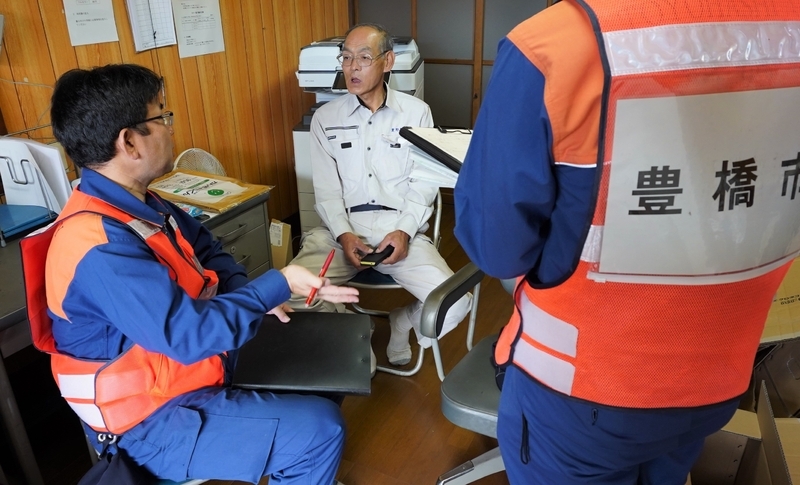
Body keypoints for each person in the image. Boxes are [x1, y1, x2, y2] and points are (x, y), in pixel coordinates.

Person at [454, 1, 800, 483]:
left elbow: (496, 248)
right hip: (718, 375)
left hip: (583, 391)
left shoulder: (557, 46)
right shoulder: (786, 27)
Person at [27, 64, 359, 485]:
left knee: (325, 364)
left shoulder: (141, 203)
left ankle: (302, 468)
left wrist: (250, 290)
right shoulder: (97, 245)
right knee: (320, 431)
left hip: (183, 371)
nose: (169, 128)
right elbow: (187, 336)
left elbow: (207, 248)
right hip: (146, 421)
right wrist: (276, 285)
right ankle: (307, 459)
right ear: (129, 141)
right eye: (160, 117)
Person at [289, 23, 470, 366]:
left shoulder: (417, 113)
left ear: (387, 62)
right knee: (294, 293)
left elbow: (423, 182)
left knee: (455, 302)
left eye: (363, 57)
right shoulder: (326, 118)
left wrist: (403, 230)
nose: (352, 67)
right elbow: (326, 190)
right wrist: (343, 234)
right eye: (345, 58)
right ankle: (354, 331)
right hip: (340, 231)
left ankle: (403, 321)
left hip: (398, 229)